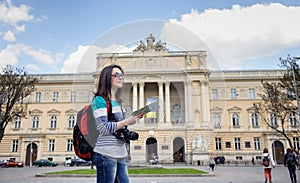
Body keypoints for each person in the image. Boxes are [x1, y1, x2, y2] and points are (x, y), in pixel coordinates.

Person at [92, 64, 144, 183]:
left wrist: (132, 119)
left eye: (122, 75)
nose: (121, 78)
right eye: (116, 75)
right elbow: (103, 128)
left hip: (120, 153)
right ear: (106, 78)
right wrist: (126, 121)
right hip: (106, 153)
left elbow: (120, 126)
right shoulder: (100, 100)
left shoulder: (117, 102)